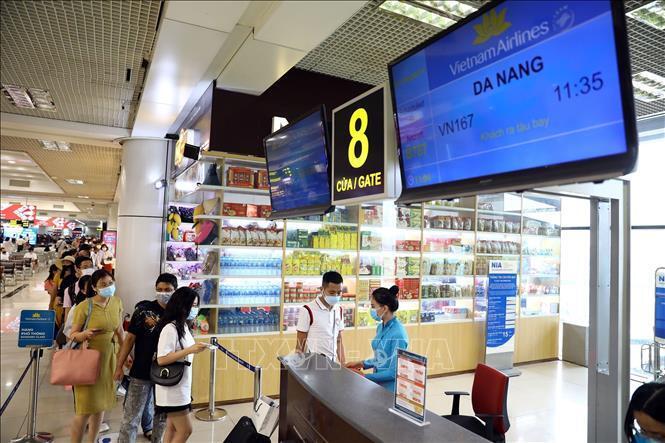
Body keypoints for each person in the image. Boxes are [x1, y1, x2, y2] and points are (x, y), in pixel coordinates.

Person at [116, 273, 179, 442]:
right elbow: (129, 339)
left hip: (168, 373)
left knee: (162, 416)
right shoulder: (143, 310)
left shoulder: (179, 313)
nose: (163, 293)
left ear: (175, 290)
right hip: (141, 370)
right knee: (131, 417)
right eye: (159, 289)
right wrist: (119, 366)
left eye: (167, 289)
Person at [69, 269, 124, 443]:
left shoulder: (117, 302)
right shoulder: (84, 306)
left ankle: (92, 440)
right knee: (85, 409)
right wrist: (84, 334)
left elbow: (120, 330)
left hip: (109, 358)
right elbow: (72, 334)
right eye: (103, 284)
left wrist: (124, 353)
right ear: (94, 287)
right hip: (88, 359)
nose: (108, 287)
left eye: (110, 283)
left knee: (101, 405)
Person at [155, 287, 208, 443]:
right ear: (182, 306)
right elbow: (162, 359)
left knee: (172, 428)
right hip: (173, 389)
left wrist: (194, 348)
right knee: (185, 430)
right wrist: (190, 350)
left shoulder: (183, 326)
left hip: (181, 385)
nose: (195, 309)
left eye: (196, 305)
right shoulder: (170, 329)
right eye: (193, 305)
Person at [345, 285, 409, 392]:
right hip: (378, 384)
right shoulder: (381, 327)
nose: (371, 310)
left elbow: (394, 372)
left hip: (391, 390)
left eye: (373, 306)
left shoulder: (398, 334)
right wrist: (361, 363)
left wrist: (364, 377)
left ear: (384, 308)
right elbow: (381, 358)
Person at [295, 271, 346, 363]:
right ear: (322, 289)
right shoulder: (307, 310)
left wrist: (344, 364)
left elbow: (338, 340)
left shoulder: (339, 310)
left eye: (339, 293)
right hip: (313, 363)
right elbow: (300, 344)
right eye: (332, 292)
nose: (336, 296)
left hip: (333, 364)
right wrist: (297, 366)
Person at [63, 256, 95, 321]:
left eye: (91, 267)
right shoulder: (70, 290)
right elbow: (67, 313)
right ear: (77, 269)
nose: (89, 269)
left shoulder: (99, 287)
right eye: (85, 267)